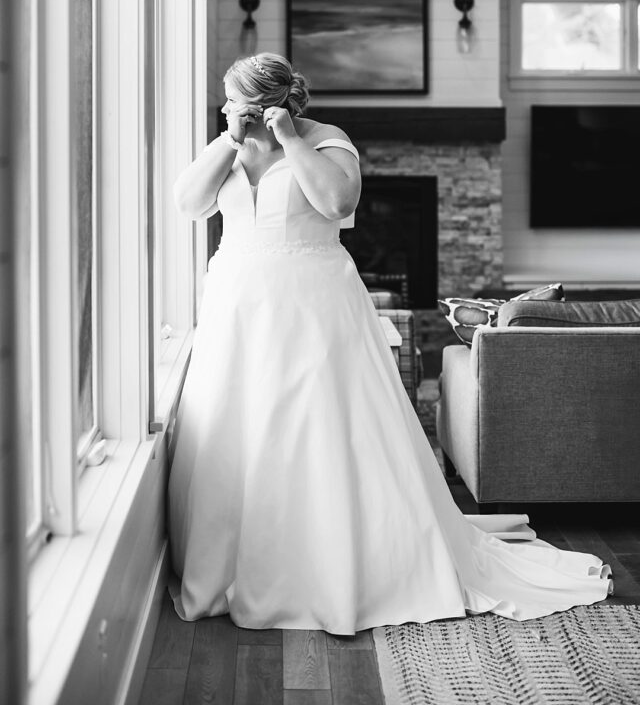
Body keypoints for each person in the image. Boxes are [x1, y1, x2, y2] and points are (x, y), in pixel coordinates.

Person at [167, 51, 613, 634]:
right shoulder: (228, 142)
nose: (227, 108)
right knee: (243, 423)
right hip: (236, 304)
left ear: (270, 103)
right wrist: (228, 141)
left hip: (312, 305)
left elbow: (337, 204)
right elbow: (188, 204)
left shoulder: (327, 141)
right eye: (227, 100)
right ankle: (237, 560)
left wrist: (286, 137)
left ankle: (330, 566)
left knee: (312, 425)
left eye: (236, 100)